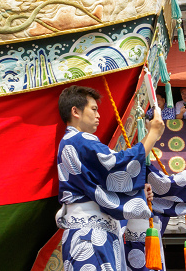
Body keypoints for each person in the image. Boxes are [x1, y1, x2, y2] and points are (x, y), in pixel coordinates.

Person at [56, 85, 164, 271]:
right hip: (90, 235)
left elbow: (104, 180)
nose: (98, 115)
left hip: (92, 232)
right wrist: (152, 134)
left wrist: (136, 192)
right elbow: (118, 165)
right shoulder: (79, 140)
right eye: (94, 109)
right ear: (75, 111)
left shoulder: (73, 142)